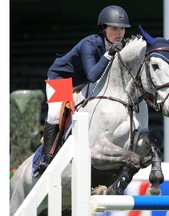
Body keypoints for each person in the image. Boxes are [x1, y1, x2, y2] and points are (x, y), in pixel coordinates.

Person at [37, 5, 131, 173]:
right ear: (103, 28)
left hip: (84, 83)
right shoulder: (89, 44)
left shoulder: (120, 45)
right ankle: (47, 159)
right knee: (55, 112)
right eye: (114, 28)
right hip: (61, 79)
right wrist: (109, 55)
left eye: (123, 29)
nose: (120, 33)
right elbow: (92, 76)